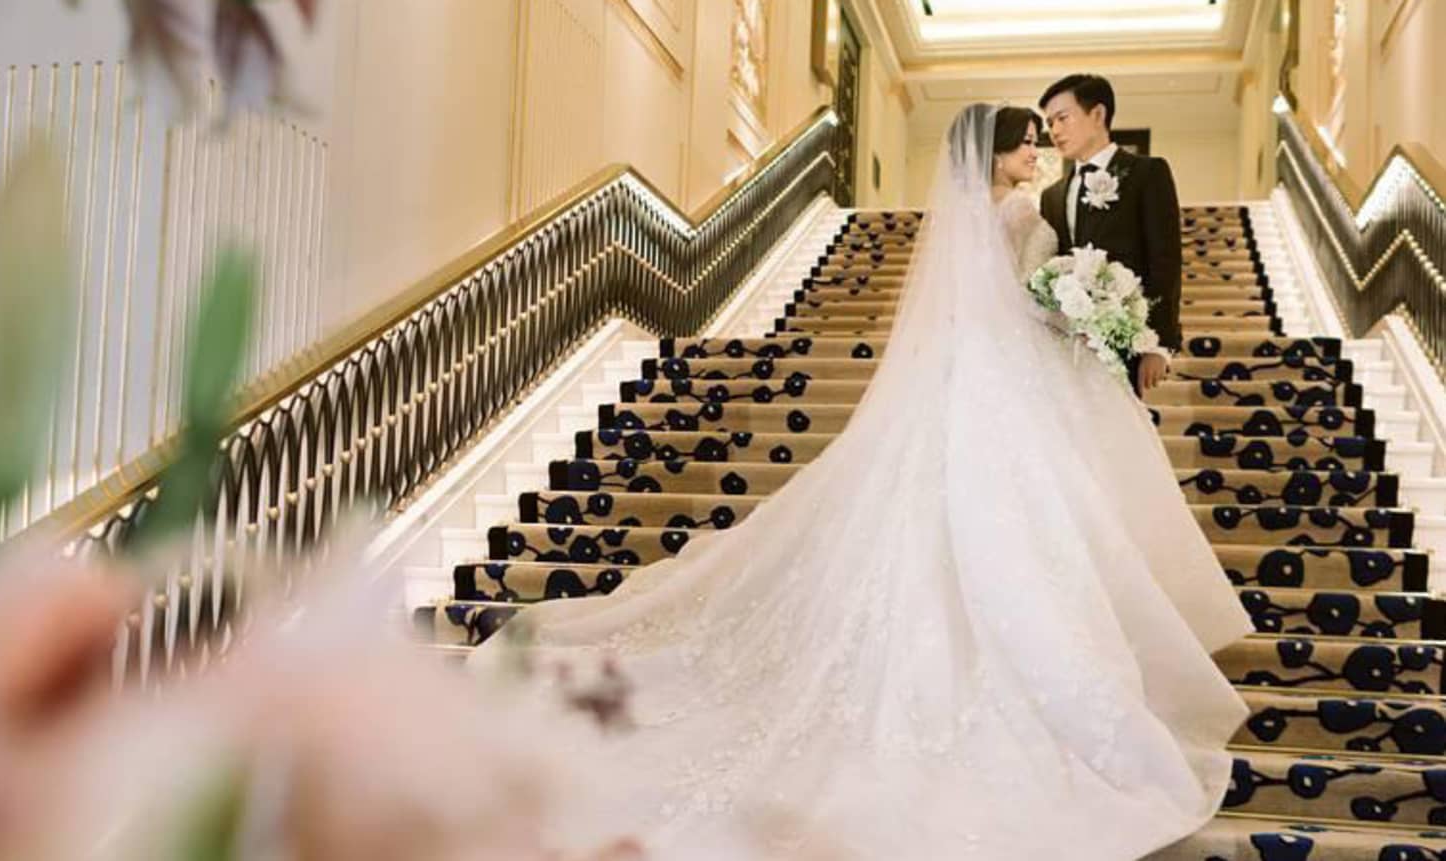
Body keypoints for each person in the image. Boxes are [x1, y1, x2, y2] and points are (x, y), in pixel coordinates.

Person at [469, 102, 1253, 860]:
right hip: (1003, 381)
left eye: (1039, 137)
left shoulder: (992, 216)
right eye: (1022, 142)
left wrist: (1082, 306)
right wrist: (1073, 307)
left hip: (977, 380)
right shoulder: (1017, 215)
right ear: (993, 154)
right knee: (1012, 522)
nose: (1035, 151)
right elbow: (1016, 304)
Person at [1039, 73, 1181, 397]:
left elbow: (1165, 262)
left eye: (1063, 118)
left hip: (1124, 339)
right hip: (1068, 346)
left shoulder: (1147, 173)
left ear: (1098, 114)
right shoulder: (1052, 195)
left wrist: (1156, 343)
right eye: (1050, 123)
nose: (1055, 131)